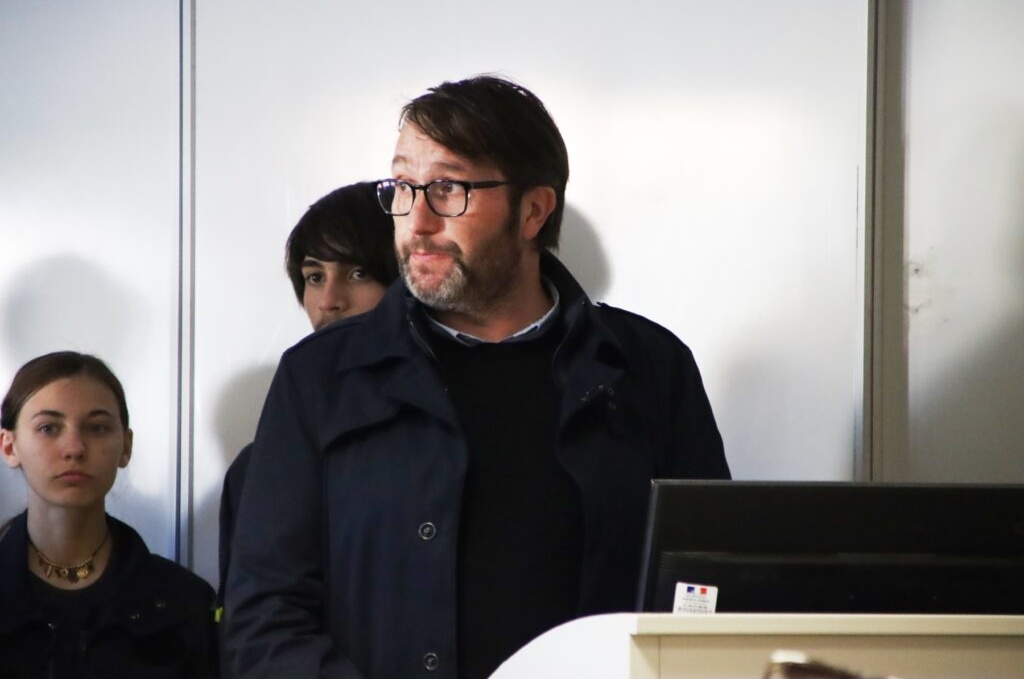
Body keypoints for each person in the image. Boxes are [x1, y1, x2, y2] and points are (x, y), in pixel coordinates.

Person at [224, 75, 730, 679]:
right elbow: (265, 620)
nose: (416, 221)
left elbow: (709, 590)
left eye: (447, 188)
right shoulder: (322, 377)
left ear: (533, 210)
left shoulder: (647, 367)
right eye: (404, 187)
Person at [217, 180, 398, 609]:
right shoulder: (257, 469)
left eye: (358, 273)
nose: (328, 301)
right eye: (314, 277)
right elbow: (252, 621)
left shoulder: (444, 440)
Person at [0, 351, 217, 678]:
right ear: (9, 446)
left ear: (125, 446)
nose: (74, 448)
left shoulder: (184, 603)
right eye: (48, 428)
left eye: (97, 428)